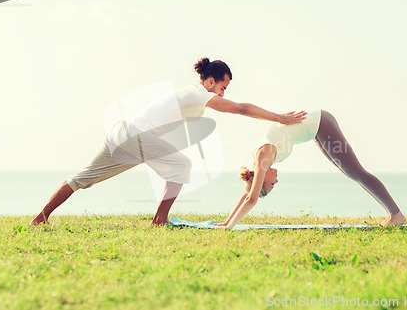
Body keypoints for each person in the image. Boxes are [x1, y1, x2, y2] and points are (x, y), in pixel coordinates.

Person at [30, 57, 306, 226]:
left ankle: (39, 218)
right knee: (182, 166)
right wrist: (280, 118)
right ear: (210, 81)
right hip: (136, 138)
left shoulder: (190, 93)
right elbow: (242, 108)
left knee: (81, 179)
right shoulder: (199, 95)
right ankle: (159, 221)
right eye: (222, 87)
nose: (222, 94)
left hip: (122, 131)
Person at [214, 109, 406, 229]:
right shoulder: (259, 164)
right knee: (351, 173)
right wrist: (225, 222)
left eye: (272, 184)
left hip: (320, 124)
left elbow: (251, 198)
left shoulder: (263, 158)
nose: (276, 180)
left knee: (355, 172)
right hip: (316, 128)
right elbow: (247, 192)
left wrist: (230, 226)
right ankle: (394, 214)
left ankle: (396, 215)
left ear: (262, 178)